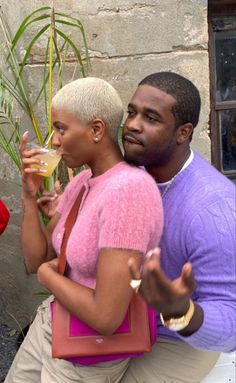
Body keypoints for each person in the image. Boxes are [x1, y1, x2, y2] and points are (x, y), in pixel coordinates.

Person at [4, 77, 163, 383]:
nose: (53, 141)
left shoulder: (128, 191)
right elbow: (35, 259)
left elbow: (106, 317)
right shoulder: (81, 183)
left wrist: (47, 276)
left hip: (88, 358)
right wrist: (27, 195)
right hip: (55, 324)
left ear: (96, 130)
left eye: (61, 128)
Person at [119, 71, 236, 383]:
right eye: (132, 112)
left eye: (151, 118)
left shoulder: (214, 209)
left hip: (179, 341)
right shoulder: (131, 172)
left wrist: (180, 312)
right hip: (123, 319)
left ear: (183, 132)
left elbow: (231, 325)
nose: (132, 124)